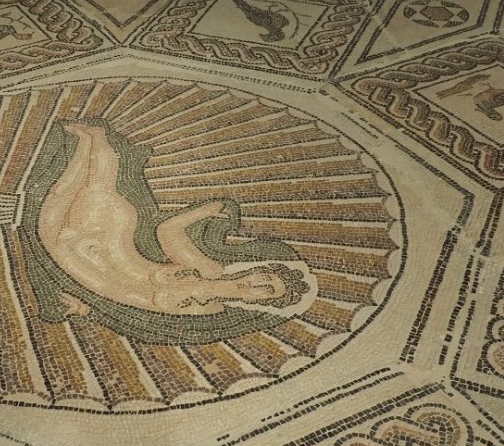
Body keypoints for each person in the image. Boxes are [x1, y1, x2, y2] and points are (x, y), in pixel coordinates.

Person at [36, 118, 308, 317]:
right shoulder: (208, 270)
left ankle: (91, 138)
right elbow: (168, 232)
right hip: (107, 238)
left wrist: (88, 308)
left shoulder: (208, 310)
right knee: (88, 188)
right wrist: (205, 211)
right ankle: (93, 138)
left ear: (261, 302)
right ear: (257, 270)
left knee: (72, 191)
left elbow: (139, 317)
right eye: (265, 276)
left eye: (266, 290)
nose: (256, 283)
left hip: (75, 263)